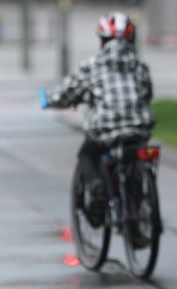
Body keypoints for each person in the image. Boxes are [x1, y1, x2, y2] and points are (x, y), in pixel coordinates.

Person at [45, 12, 155, 223]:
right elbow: (147, 93)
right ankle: (139, 207)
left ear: (102, 40)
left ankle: (96, 186)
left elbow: (67, 94)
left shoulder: (92, 66)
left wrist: (49, 100)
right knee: (135, 154)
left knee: (86, 154)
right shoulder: (140, 65)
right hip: (138, 127)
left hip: (106, 128)